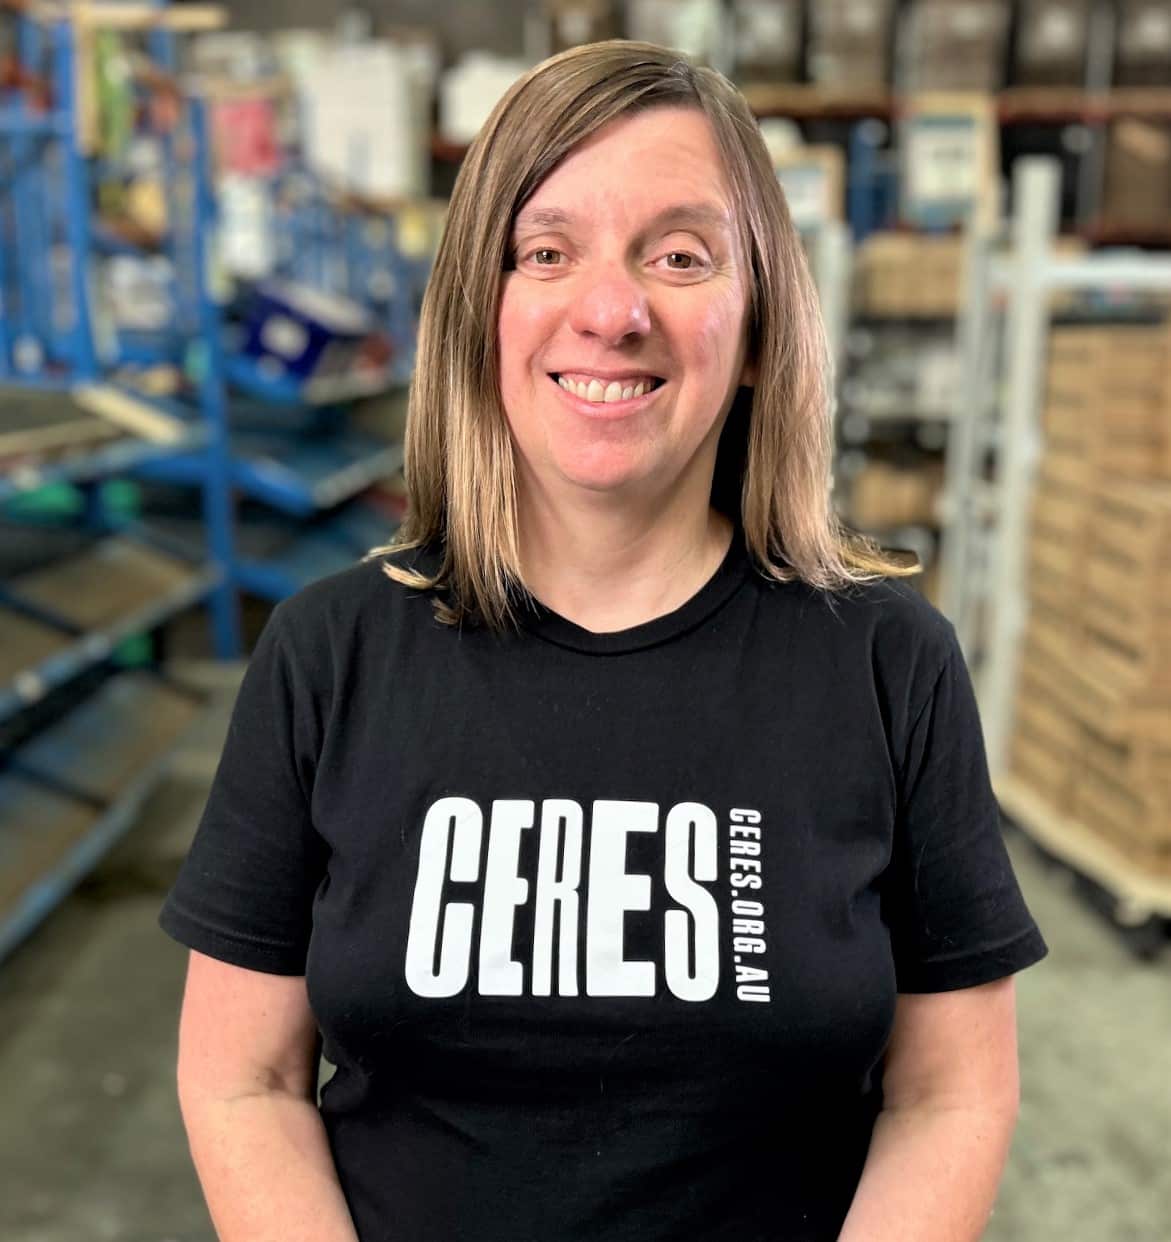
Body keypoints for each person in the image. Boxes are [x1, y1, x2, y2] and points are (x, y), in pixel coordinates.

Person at [160, 40, 1048, 1242]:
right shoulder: (332, 654)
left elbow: (950, 1094)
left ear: (755, 327)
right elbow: (241, 1080)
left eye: (680, 256)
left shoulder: (887, 661)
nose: (612, 310)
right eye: (547, 251)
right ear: (483, 311)